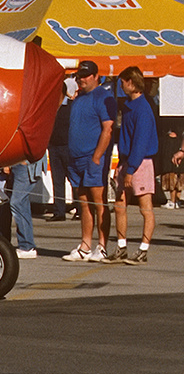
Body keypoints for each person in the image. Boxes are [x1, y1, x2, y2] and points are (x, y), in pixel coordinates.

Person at [64, 61, 114, 263]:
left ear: (96, 76)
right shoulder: (78, 98)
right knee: (83, 203)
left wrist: (96, 157)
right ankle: (85, 245)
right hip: (75, 158)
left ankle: (102, 246)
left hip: (91, 158)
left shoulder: (103, 97)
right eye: (79, 76)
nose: (81, 80)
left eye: (85, 76)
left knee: (98, 202)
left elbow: (108, 129)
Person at [110, 67, 158, 264]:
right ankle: (121, 246)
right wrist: (121, 165)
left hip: (141, 162)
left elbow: (140, 141)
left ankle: (143, 250)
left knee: (145, 207)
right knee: (119, 204)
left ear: (131, 82)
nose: (121, 86)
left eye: (123, 82)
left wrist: (130, 170)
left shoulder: (143, 108)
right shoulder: (129, 106)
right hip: (127, 160)